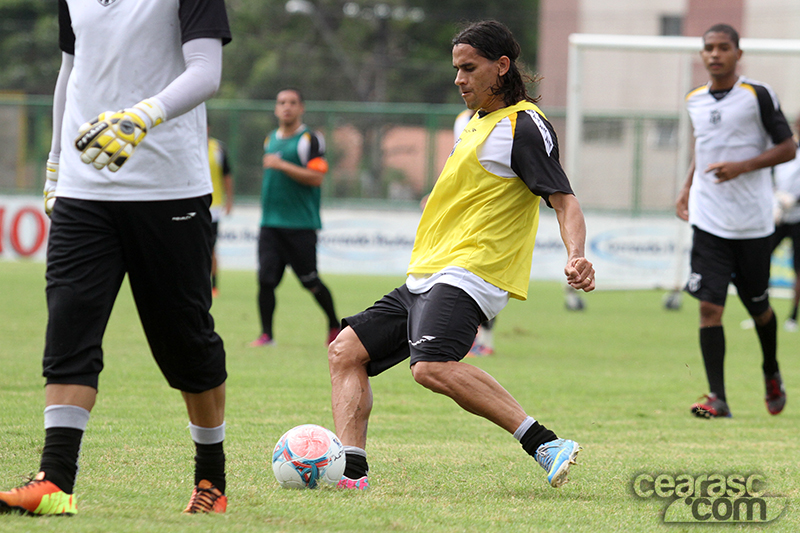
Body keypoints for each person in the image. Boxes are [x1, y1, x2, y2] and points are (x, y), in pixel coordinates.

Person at [328, 20, 595, 491]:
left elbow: (563, 198)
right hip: (429, 270)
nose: (459, 79)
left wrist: (577, 255)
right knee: (345, 352)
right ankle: (352, 473)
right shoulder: (474, 123)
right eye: (456, 69)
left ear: (502, 67)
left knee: (430, 366)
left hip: (473, 270)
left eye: (469, 68)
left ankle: (546, 443)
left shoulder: (523, 125)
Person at [0, 0, 231, 516]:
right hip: (85, 192)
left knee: (186, 343)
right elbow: (70, 68)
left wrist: (143, 115)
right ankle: (55, 481)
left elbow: (206, 71)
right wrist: (56, 163)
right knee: (68, 326)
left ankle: (210, 479)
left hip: (169, 190)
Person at [676, 24, 793, 419]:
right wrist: (686, 187)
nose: (714, 54)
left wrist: (744, 167)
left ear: (737, 54)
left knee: (759, 308)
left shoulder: (756, 95)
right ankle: (718, 397)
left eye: (723, 48)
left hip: (752, 224)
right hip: (709, 221)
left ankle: (770, 370)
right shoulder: (695, 99)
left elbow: (788, 147)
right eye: (708, 48)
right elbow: (703, 147)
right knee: (709, 308)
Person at [251, 88, 340, 347]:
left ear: (301, 107)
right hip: (270, 224)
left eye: (292, 102)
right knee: (265, 280)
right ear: (276, 108)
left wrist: (282, 165)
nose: (286, 107)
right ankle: (266, 335)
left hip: (300, 225)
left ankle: (334, 325)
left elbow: (317, 178)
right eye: (281, 103)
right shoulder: (270, 139)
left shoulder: (310, 139)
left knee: (310, 281)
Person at [771, 114, 800, 332]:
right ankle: (760, 311)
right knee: (759, 258)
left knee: (798, 269)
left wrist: (795, 200)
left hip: (799, 217)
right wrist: (776, 201)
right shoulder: (785, 150)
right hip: (780, 216)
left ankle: (793, 317)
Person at [208, 132, 234, 297]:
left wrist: (229, 199)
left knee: (210, 248)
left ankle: (214, 285)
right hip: (190, 206)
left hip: (213, 208)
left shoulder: (218, 148)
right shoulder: (186, 145)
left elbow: (227, 175)